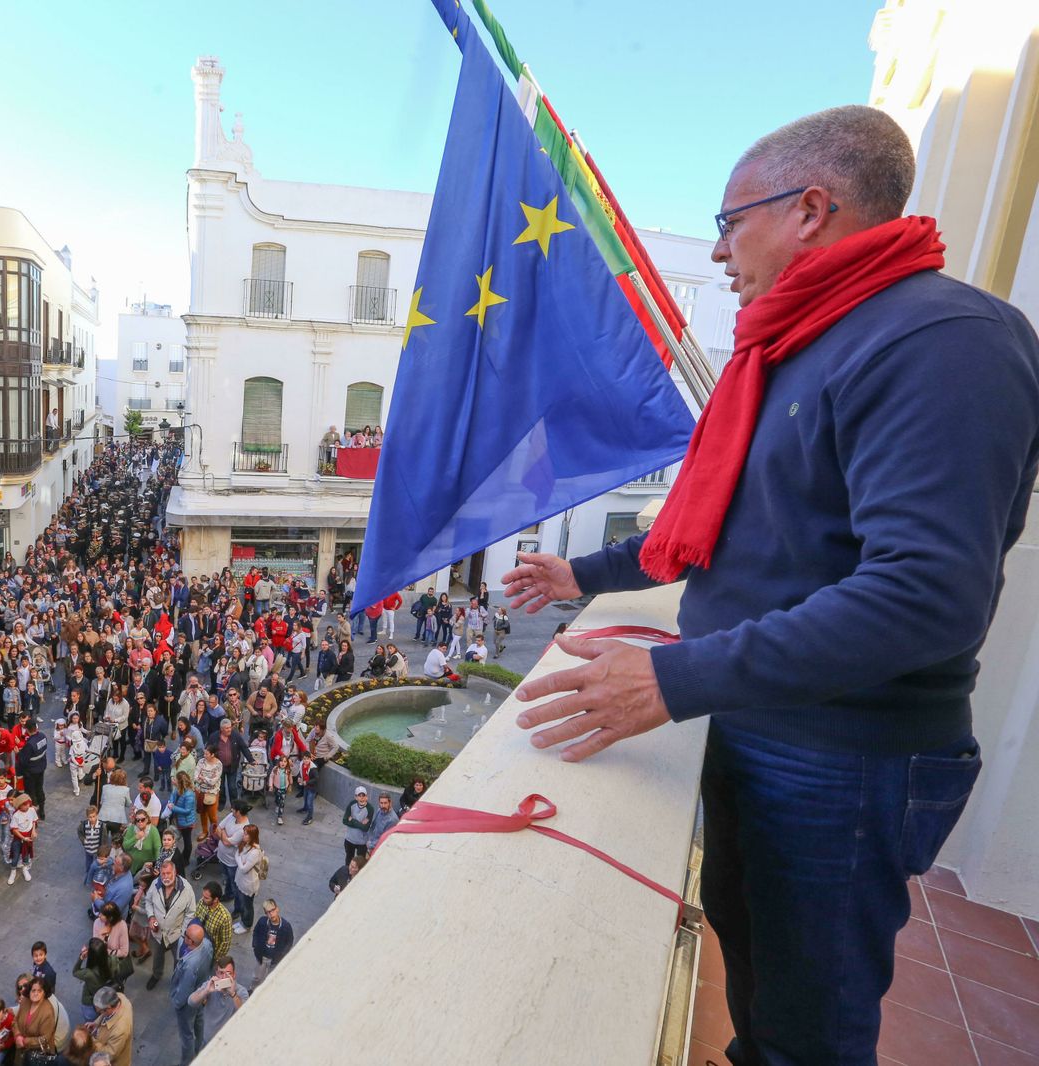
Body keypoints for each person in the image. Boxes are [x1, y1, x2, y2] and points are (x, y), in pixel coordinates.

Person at [504, 105, 1039, 1066]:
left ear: (810, 209)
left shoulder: (945, 341)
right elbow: (718, 535)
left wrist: (669, 681)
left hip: (843, 756)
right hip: (761, 723)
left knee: (811, 1029)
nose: (717, 252)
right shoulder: (793, 346)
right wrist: (577, 573)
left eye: (727, 221)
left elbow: (925, 595)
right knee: (758, 981)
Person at [143, 859, 197, 991]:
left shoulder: (187, 889)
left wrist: (183, 933)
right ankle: (156, 975)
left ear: (175, 872)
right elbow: (148, 902)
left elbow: (191, 913)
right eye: (163, 874)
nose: (165, 877)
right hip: (158, 932)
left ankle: (176, 980)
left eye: (168, 873)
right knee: (157, 955)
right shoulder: (155, 884)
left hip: (177, 934)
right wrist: (151, 917)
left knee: (179, 960)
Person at [169, 923, 214, 1066]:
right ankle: (199, 1047)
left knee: (187, 1035)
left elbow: (184, 990)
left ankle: (187, 1061)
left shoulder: (190, 965)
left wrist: (177, 1003)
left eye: (186, 935)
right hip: (202, 993)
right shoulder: (207, 944)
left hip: (189, 1003)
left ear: (191, 942)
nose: (184, 936)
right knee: (199, 1021)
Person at [186, 955, 249, 1040]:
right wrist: (206, 991)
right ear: (216, 973)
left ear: (234, 975)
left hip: (230, 1041)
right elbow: (191, 1002)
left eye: (228, 973)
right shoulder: (210, 985)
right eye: (221, 973)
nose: (224, 977)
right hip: (209, 1040)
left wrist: (233, 994)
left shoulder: (241, 991)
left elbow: (246, 1014)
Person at [250, 898, 294, 985]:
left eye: (272, 910)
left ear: (277, 909)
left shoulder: (286, 926)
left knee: (271, 980)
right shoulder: (262, 921)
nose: (271, 914)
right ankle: (252, 990)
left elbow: (289, 941)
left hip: (275, 959)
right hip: (262, 957)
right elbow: (256, 932)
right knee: (256, 977)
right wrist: (255, 945)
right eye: (268, 912)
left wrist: (282, 955)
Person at [13, 976, 56, 1063]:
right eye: (33, 990)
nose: (35, 993)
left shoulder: (48, 1012)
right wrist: (17, 1035)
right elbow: (15, 1020)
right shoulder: (25, 1001)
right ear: (29, 991)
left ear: (44, 993)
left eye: (39, 991)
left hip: (38, 1055)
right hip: (21, 1048)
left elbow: (45, 1039)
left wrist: (25, 1041)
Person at [214, 801, 249, 905]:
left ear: (238, 812)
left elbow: (226, 842)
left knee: (235, 886)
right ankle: (228, 895)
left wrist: (223, 832)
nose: (231, 810)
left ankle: (237, 908)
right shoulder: (231, 816)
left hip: (232, 862)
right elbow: (217, 829)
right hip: (222, 857)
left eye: (233, 809)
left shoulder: (244, 829)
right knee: (227, 879)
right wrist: (225, 835)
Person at [232, 824, 264, 933]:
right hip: (241, 880)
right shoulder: (245, 844)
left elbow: (243, 869)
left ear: (252, 836)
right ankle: (242, 922)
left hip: (248, 884)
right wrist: (240, 860)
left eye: (246, 834)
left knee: (247, 906)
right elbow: (236, 855)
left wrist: (240, 860)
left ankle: (247, 925)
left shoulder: (255, 852)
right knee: (242, 902)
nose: (243, 835)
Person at [89, 986, 134, 1066]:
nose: (98, 1012)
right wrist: (96, 1024)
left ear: (109, 1008)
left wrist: (92, 1041)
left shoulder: (120, 1030)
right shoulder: (120, 997)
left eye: (99, 1011)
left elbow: (110, 1054)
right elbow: (105, 1016)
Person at [192, 881, 234, 963]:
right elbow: (195, 917)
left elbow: (225, 943)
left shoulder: (225, 917)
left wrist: (215, 959)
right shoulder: (202, 902)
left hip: (210, 952)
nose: (203, 899)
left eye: (206, 898)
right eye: (203, 896)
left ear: (215, 900)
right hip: (196, 946)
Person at [7, 793, 38, 884]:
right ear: (20, 806)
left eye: (28, 803)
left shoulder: (31, 810)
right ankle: (13, 871)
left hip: (28, 836)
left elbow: (34, 821)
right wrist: (23, 838)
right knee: (15, 856)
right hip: (19, 838)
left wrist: (33, 831)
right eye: (25, 805)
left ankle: (25, 869)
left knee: (26, 855)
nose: (27, 806)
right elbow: (14, 829)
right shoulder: (16, 815)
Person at [341, 786, 372, 865]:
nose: (361, 798)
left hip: (362, 841)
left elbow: (365, 828)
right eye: (359, 796)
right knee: (348, 859)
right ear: (355, 797)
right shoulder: (352, 804)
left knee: (360, 862)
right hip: (350, 839)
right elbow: (344, 821)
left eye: (363, 796)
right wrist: (360, 823)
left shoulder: (370, 809)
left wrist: (353, 820)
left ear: (367, 797)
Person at [77, 805, 106, 884]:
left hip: (97, 849)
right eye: (90, 817)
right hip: (88, 848)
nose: (92, 819)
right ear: (87, 817)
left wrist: (102, 850)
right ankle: (88, 875)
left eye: (94, 816)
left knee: (97, 864)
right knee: (88, 863)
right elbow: (79, 832)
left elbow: (104, 839)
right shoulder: (84, 825)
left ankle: (97, 877)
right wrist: (83, 840)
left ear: (97, 815)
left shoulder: (101, 826)